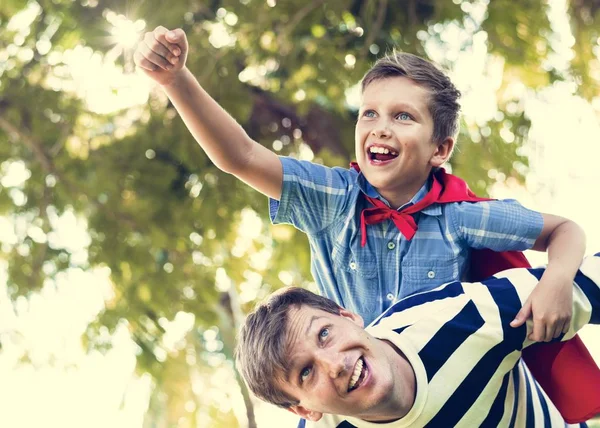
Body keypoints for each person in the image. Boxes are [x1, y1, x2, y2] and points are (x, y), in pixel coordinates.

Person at [133, 25, 599, 420]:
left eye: (403, 117)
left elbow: (565, 231)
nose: (380, 127)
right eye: (369, 114)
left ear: (440, 150)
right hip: (350, 392)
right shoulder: (333, 199)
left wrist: (557, 279)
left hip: (434, 377)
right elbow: (241, 155)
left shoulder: (461, 217)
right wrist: (176, 81)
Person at [236, 254, 600, 427]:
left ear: (349, 316)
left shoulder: (461, 318)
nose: (335, 364)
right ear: (304, 410)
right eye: (305, 373)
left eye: (325, 334)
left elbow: (589, 283)